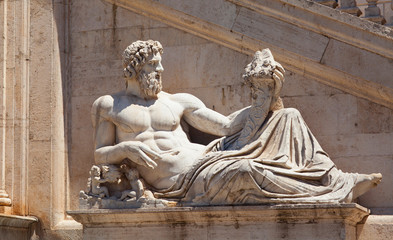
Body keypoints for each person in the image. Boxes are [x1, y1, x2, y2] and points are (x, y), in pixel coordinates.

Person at [91, 40, 381, 205]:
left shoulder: (177, 101)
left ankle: (334, 181)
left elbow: (227, 126)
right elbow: (100, 153)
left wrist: (267, 97)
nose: (161, 69)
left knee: (287, 116)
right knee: (245, 169)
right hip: (183, 181)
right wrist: (126, 149)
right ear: (135, 68)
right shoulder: (109, 105)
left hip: (210, 157)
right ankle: (325, 194)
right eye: (154, 65)